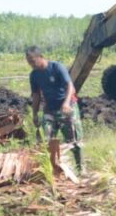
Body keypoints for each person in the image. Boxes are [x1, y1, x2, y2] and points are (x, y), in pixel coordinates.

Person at [26, 46, 83, 174]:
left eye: (33, 61)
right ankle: (49, 170)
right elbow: (36, 95)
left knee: (74, 141)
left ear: (40, 57)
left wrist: (66, 103)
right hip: (49, 109)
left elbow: (70, 86)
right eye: (29, 62)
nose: (31, 65)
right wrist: (35, 114)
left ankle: (80, 169)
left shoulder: (57, 67)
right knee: (44, 139)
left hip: (67, 106)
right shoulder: (34, 75)